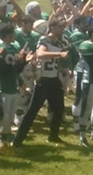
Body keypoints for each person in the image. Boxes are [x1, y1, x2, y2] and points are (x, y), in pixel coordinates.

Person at [13, 19, 68, 147]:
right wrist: (59, 54)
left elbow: (52, 62)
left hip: (54, 79)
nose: (62, 30)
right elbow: (40, 54)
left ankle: (53, 136)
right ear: (52, 27)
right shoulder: (45, 40)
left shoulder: (58, 41)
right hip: (43, 80)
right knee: (32, 111)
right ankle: (18, 140)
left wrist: (62, 68)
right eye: (60, 27)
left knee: (59, 109)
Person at [0, 23, 29, 157]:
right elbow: (2, 69)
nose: (15, 35)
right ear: (8, 34)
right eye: (13, 33)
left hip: (11, 87)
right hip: (1, 87)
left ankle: (3, 144)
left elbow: (15, 71)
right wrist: (17, 60)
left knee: (8, 119)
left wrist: (22, 61)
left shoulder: (13, 47)